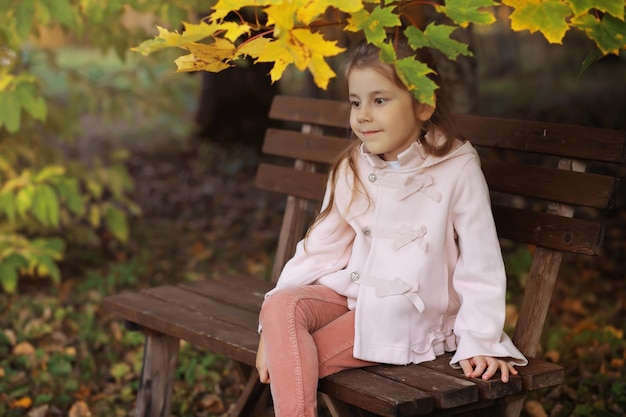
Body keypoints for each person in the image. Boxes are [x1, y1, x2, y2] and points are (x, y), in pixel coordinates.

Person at [255, 37, 528, 417]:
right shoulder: (353, 165)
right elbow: (321, 246)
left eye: (379, 100)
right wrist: (272, 328)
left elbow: (480, 263)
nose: (363, 114)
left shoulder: (458, 168)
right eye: (355, 102)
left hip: (408, 314)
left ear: (423, 104)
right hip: (353, 294)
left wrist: (479, 339)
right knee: (281, 305)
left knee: (299, 358)